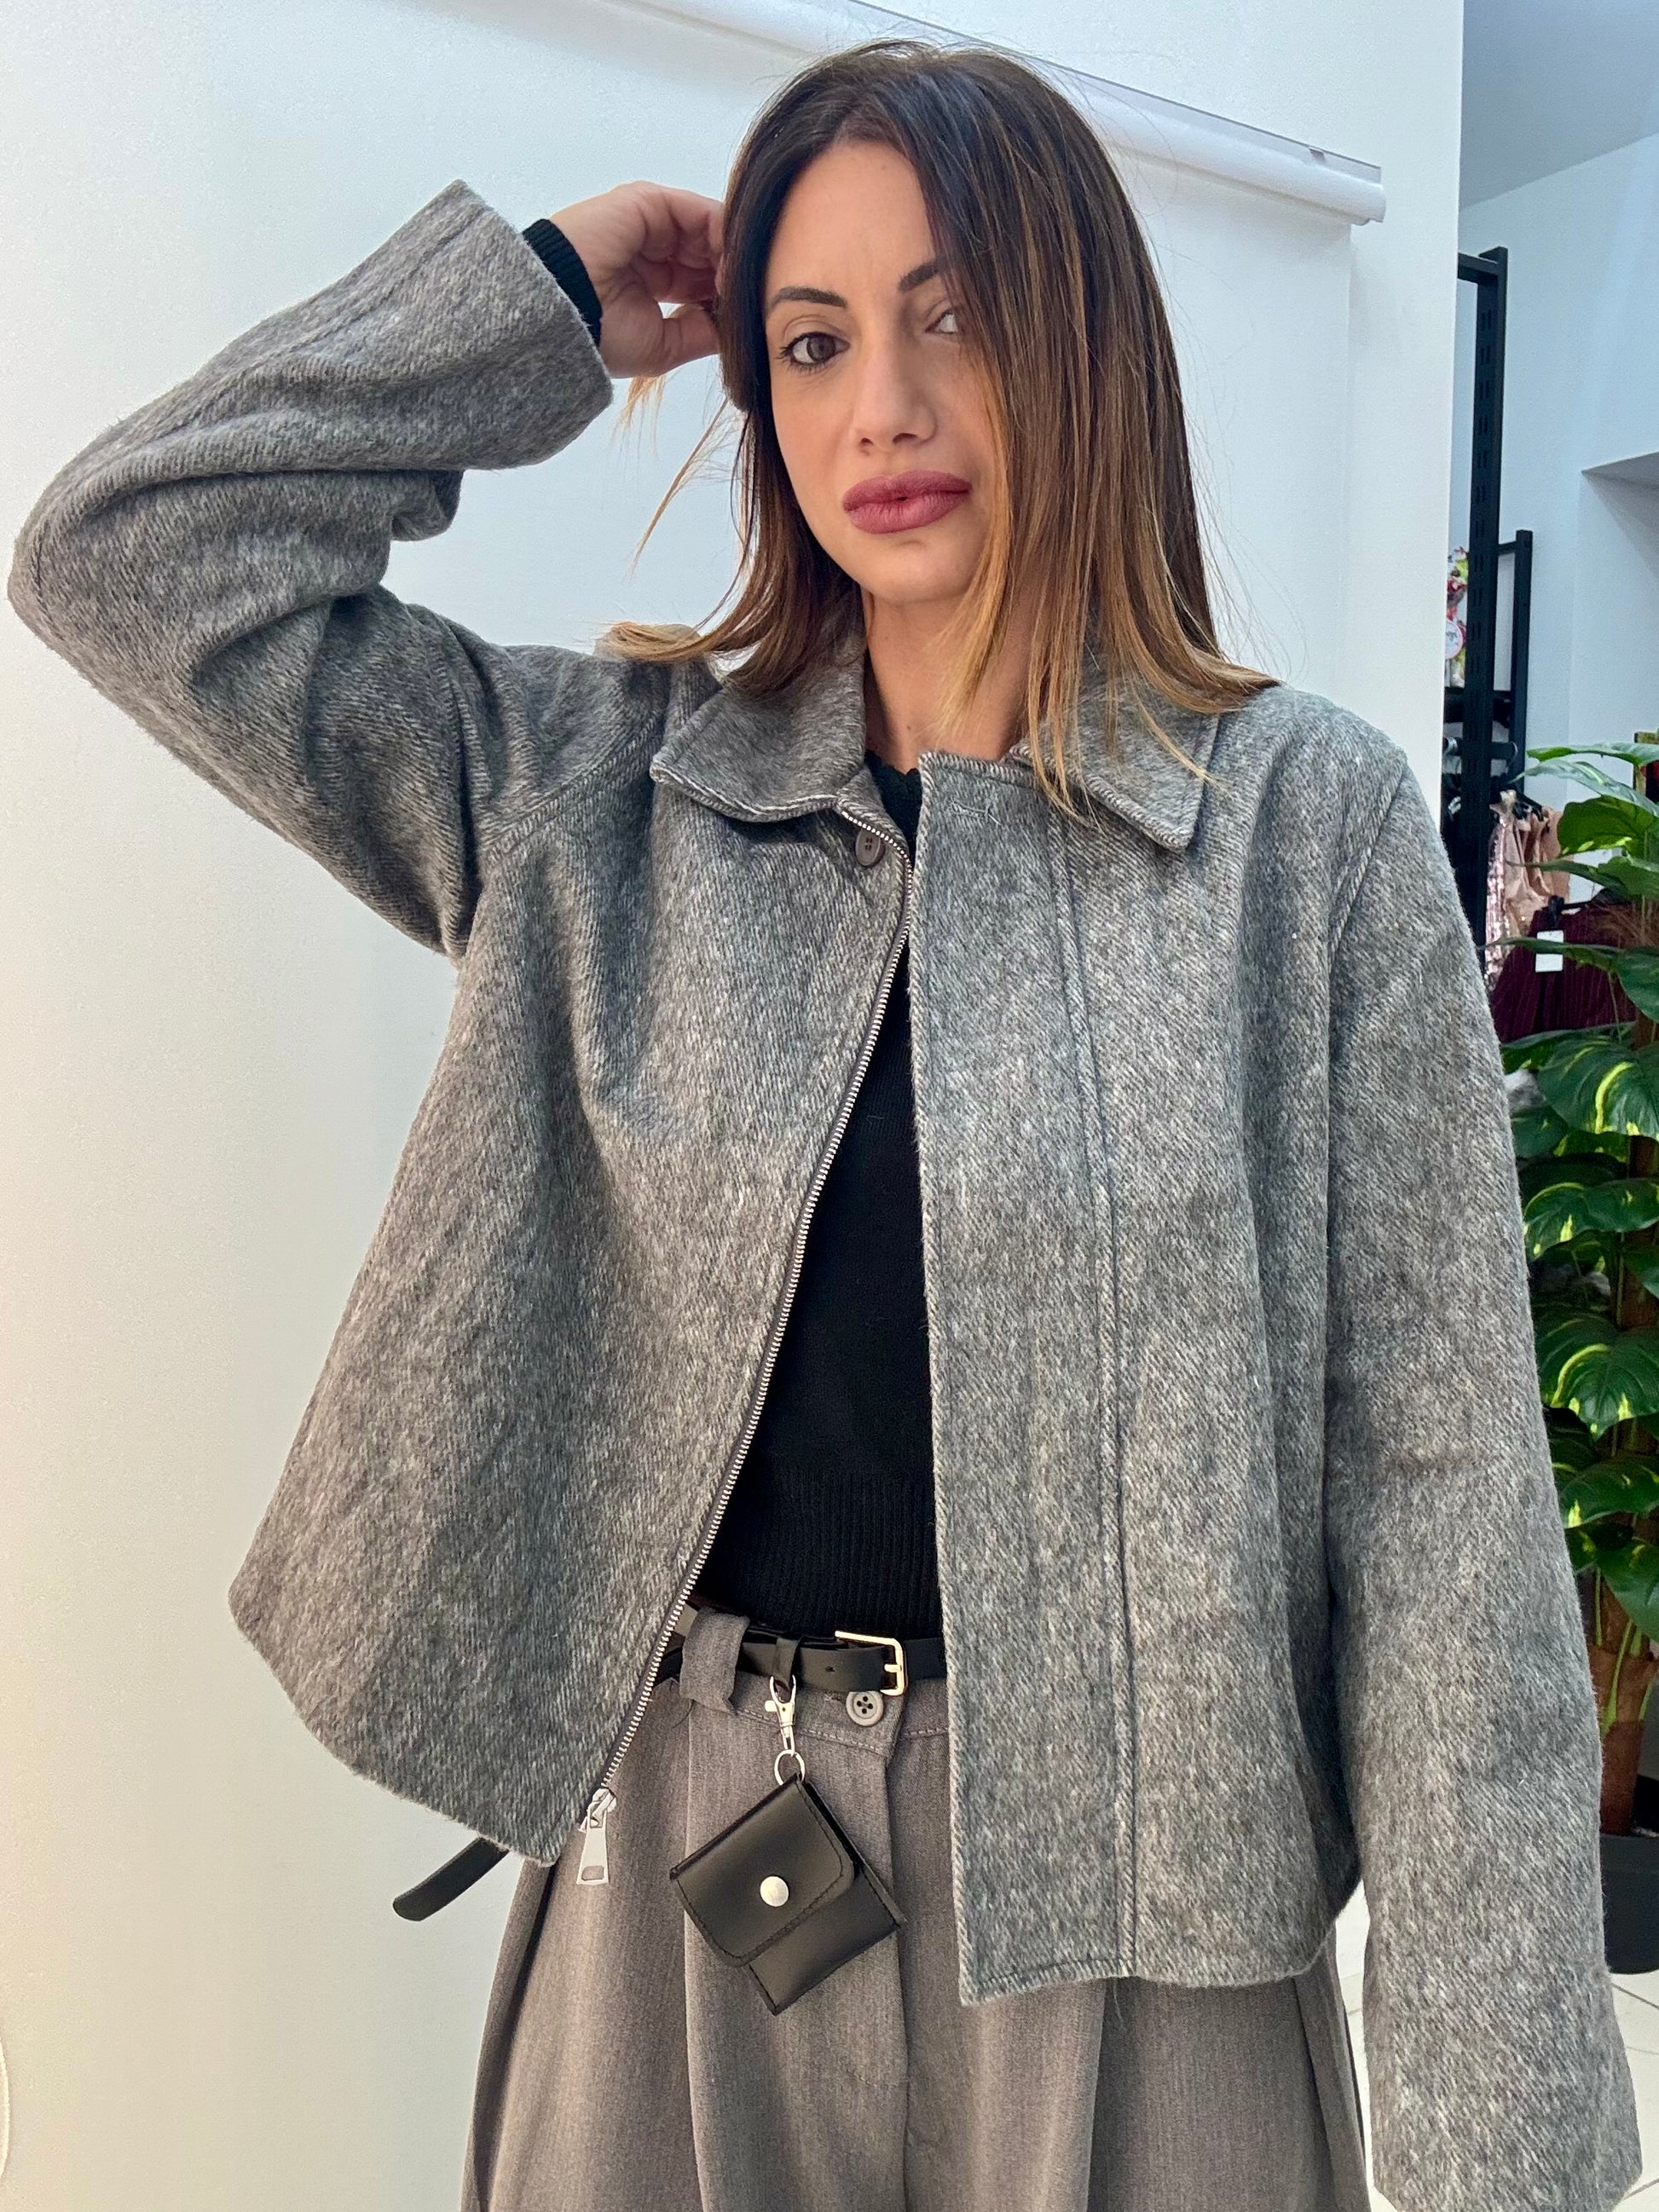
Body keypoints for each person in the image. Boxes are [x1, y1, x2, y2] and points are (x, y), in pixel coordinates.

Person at [7, 35, 1639, 2212]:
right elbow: (128, 555)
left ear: (1083, 344)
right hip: (682, 1874)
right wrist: (541, 306)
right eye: (811, 339)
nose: (883, 405)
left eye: (954, 316)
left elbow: (1441, 1498)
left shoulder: (1298, 831)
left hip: (1151, 1920)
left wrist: (1499, 2152)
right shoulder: (597, 793)